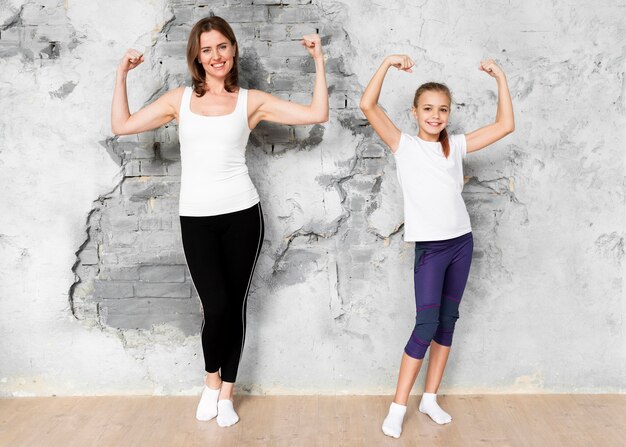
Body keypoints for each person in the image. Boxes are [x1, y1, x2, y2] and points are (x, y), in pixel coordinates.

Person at [111, 16, 328, 427]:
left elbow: (317, 113)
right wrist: (121, 73)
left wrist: (318, 59)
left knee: (237, 304)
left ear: (233, 50)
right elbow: (121, 125)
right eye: (207, 49)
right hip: (196, 218)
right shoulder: (180, 101)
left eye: (222, 46)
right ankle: (211, 382)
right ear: (197, 56)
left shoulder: (251, 101)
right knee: (217, 306)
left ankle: (225, 393)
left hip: (243, 215)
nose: (216, 56)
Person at [360, 55, 514, 438]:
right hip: (430, 248)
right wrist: (386, 64)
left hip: (462, 242)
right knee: (425, 324)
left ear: (449, 113)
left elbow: (505, 125)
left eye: (442, 109)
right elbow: (367, 105)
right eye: (428, 109)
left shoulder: (455, 146)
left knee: (448, 321)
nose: (436, 115)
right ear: (415, 112)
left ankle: (429, 398)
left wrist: (501, 79)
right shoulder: (403, 145)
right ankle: (398, 407)